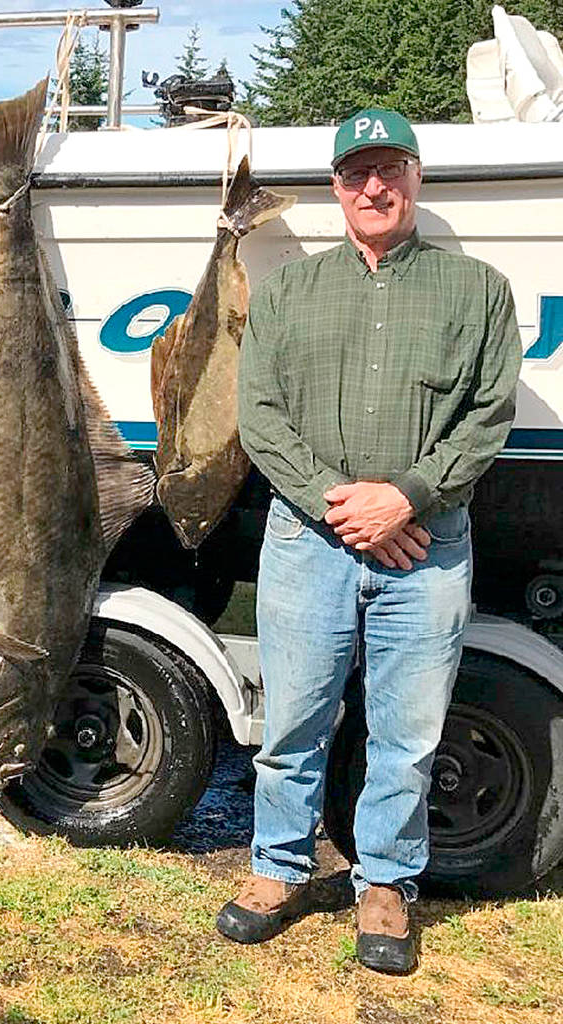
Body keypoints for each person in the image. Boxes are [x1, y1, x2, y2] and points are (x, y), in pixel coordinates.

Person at [217, 109, 522, 974]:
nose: (374, 187)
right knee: (293, 721)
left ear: (417, 178)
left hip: (429, 543)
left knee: (408, 733)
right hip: (308, 541)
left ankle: (385, 882)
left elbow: (486, 416)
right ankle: (277, 867)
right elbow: (259, 418)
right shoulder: (287, 292)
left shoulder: (478, 290)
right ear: (337, 189)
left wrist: (406, 497)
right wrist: (340, 507)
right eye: (357, 174)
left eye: (390, 170)